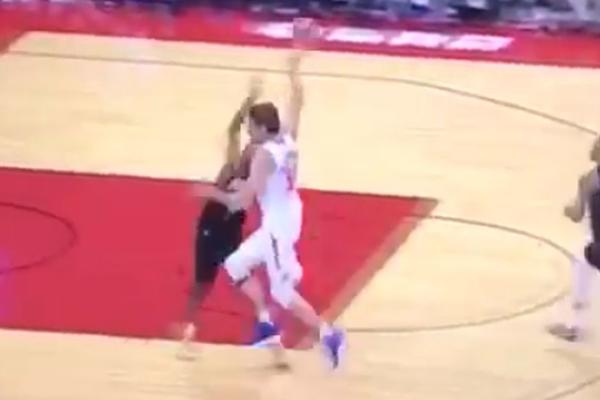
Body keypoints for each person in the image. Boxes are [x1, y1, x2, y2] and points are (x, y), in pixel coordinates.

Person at [199, 50, 345, 369]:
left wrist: (212, 193)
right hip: (286, 212)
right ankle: (266, 325)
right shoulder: (287, 136)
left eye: (252, 128)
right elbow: (298, 100)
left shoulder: (264, 155)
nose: (249, 134)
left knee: (282, 292)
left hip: (280, 223)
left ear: (263, 128)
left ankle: (328, 334)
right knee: (235, 265)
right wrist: (294, 70)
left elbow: (243, 200)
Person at [547, 137, 600, 341]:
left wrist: (567, 210)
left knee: (581, 265)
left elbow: (577, 214)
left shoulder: (588, 180)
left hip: (595, 244)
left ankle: (575, 326)